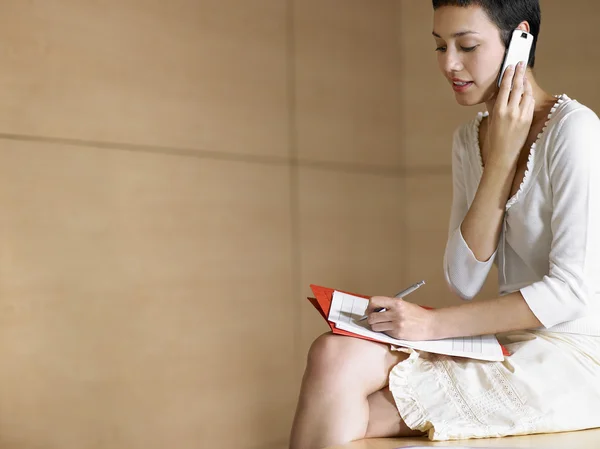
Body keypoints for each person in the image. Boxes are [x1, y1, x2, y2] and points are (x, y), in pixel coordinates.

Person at [289, 1, 600, 448]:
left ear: (520, 39)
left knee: (350, 409)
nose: (450, 64)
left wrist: (429, 326)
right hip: (513, 339)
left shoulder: (575, 130)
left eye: (467, 45)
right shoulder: (467, 140)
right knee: (333, 353)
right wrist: (499, 161)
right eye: (439, 47)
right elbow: (464, 279)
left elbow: (569, 293)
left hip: (575, 355)